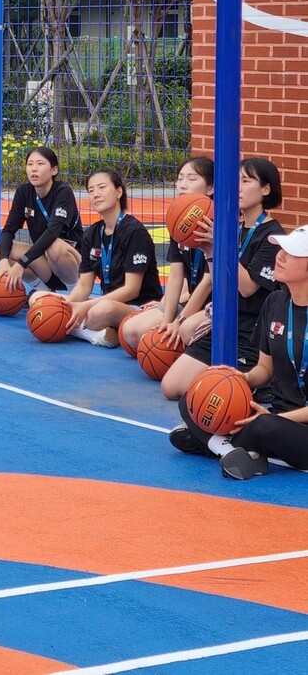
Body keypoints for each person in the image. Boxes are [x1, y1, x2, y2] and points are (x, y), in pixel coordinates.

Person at [164, 157, 283, 417]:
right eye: (235, 181)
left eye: (246, 181)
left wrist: (222, 245)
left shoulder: (273, 235)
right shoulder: (235, 228)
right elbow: (221, 283)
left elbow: (247, 288)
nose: (237, 187)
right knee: (170, 387)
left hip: (251, 330)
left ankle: (257, 382)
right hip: (224, 319)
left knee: (209, 397)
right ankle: (230, 381)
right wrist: (210, 251)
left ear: (266, 190)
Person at [215, 224, 308, 480]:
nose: (280, 256)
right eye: (281, 249)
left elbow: (270, 421)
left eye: (292, 253)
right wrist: (242, 378)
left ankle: (218, 443)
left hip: (293, 424)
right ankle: (236, 450)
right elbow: (265, 370)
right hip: (274, 415)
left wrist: (275, 419)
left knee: (264, 426)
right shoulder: (276, 302)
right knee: (198, 394)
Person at [119, 156, 214, 354]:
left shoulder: (216, 223)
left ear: (210, 188)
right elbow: (176, 275)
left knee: (165, 340)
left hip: (211, 304)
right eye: (180, 178)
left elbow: (208, 282)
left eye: (192, 178)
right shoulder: (178, 220)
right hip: (190, 300)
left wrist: (180, 321)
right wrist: (166, 321)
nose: (183, 184)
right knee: (131, 332)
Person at [64, 167, 162, 348]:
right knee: (41, 299)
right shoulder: (92, 233)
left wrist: (86, 306)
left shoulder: (134, 232)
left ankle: (85, 331)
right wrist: (66, 306)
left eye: (101, 187)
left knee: (100, 311)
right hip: (107, 303)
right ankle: (100, 333)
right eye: (91, 190)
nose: (95, 194)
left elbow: (132, 290)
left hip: (139, 307)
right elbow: (85, 286)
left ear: (119, 192)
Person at [0, 146, 82, 296]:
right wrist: (3, 261)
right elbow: (8, 230)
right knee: (1, 250)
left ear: (54, 170)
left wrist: (22, 262)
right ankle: (44, 292)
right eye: (30, 164)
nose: (34, 169)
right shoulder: (24, 192)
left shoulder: (63, 192)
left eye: (40, 164)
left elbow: (53, 232)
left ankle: (76, 295)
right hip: (45, 263)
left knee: (55, 245)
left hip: (73, 264)